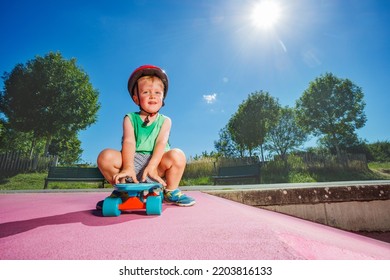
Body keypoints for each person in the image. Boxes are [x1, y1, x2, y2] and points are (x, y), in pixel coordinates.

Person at [96, 65, 195, 209]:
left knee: (178, 155)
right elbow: (129, 141)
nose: (152, 95)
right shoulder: (130, 118)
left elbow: (161, 142)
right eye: (146, 92)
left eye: (157, 92)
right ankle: (123, 190)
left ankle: (170, 191)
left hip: (156, 162)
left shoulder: (165, 121)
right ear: (136, 99)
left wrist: (153, 166)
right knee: (105, 157)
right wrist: (128, 167)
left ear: (162, 97)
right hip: (132, 161)